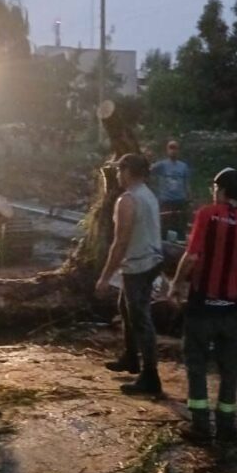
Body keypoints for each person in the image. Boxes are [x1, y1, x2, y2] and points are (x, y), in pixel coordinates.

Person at [169, 168, 237, 445]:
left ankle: (201, 426)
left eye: (214, 186)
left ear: (222, 189)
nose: (212, 191)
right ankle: (227, 427)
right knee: (229, 368)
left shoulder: (207, 214)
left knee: (196, 364)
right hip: (233, 309)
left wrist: (177, 283)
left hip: (203, 305)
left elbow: (191, 256)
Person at [95, 153, 165, 396]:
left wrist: (105, 276)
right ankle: (130, 357)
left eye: (118, 170)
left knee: (140, 318)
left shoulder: (127, 200)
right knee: (125, 308)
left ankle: (150, 376)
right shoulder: (148, 194)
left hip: (139, 264)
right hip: (151, 259)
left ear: (126, 172)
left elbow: (120, 242)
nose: (116, 175)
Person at [150, 140, 191, 241]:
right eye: (171, 148)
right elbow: (148, 171)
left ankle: (180, 243)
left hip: (180, 199)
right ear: (167, 150)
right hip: (165, 200)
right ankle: (163, 243)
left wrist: (189, 197)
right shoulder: (161, 165)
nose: (173, 151)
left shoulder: (183, 166)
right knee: (164, 224)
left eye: (175, 148)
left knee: (180, 225)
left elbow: (187, 183)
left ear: (178, 150)